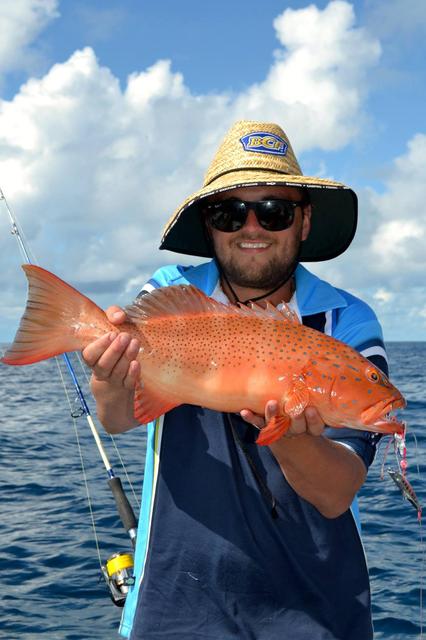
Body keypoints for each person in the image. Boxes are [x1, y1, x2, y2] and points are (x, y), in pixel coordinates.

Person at [82, 121, 388, 640]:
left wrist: (292, 438)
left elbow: (337, 494)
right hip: (176, 603)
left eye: (275, 211)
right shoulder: (170, 294)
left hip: (316, 612)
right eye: (229, 212)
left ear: (305, 221)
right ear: (209, 223)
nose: (252, 228)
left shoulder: (348, 322)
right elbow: (116, 418)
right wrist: (109, 375)